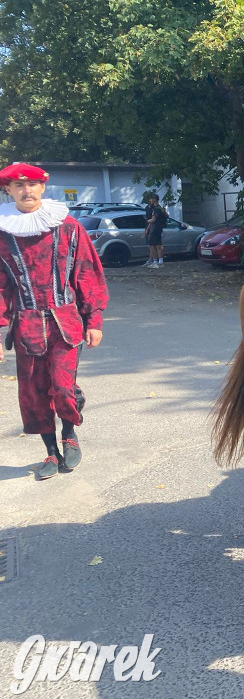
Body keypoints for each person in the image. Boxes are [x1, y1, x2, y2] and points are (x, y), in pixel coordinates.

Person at [0, 163, 108, 480]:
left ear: (43, 187)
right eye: (18, 186)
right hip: (26, 326)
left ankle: (69, 434)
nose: (26, 190)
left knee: (61, 388)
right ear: (8, 190)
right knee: (35, 392)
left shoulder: (69, 226)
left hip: (66, 322)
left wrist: (95, 318)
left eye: (32, 184)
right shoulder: (3, 234)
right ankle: (50, 452)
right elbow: (2, 287)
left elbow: (88, 273)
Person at [144, 193, 168, 268]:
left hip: (154, 229)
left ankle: (156, 262)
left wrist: (148, 221)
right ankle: (159, 262)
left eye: (151, 198)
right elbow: (167, 215)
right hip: (158, 228)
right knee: (157, 245)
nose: (150, 200)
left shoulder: (156, 209)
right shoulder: (160, 208)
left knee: (152, 245)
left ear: (155, 199)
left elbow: (153, 220)